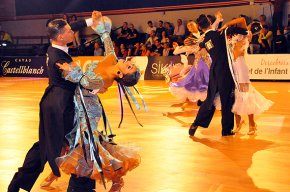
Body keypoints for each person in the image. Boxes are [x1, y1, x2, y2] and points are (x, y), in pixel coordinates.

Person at [42, 15, 142, 192]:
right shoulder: (112, 59)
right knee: (72, 143)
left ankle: (115, 179)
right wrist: (102, 28)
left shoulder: (106, 79)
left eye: (128, 67)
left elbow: (88, 83)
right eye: (130, 64)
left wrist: (73, 72)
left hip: (87, 110)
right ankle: (56, 173)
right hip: (76, 103)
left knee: (85, 148)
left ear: (120, 75)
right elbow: (107, 41)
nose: (128, 62)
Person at [7, 11, 97, 192]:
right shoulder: (58, 58)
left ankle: (17, 184)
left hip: (56, 102)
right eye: (69, 31)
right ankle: (80, 187)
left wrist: (91, 21)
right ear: (62, 36)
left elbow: (74, 27)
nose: (73, 33)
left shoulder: (55, 47)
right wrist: (96, 87)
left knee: (48, 146)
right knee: (76, 144)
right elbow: (77, 78)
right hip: (60, 106)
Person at [221, 17, 273, 135]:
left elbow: (242, 19)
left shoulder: (246, 32)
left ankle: (252, 124)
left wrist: (226, 24)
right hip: (233, 66)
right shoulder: (232, 35)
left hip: (241, 66)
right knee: (234, 96)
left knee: (246, 95)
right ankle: (238, 123)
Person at [189, 13, 235, 137]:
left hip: (214, 71)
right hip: (225, 71)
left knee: (210, 99)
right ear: (210, 22)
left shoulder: (204, 40)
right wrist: (221, 22)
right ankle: (226, 130)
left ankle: (195, 123)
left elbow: (201, 45)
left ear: (199, 27)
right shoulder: (220, 34)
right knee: (227, 100)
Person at [165, 21, 211, 110]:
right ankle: (201, 99)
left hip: (208, 59)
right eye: (189, 27)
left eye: (192, 25)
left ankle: (208, 98)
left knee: (208, 78)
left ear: (196, 25)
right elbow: (188, 49)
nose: (191, 27)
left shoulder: (204, 33)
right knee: (198, 79)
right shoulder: (189, 39)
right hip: (199, 61)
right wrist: (177, 49)